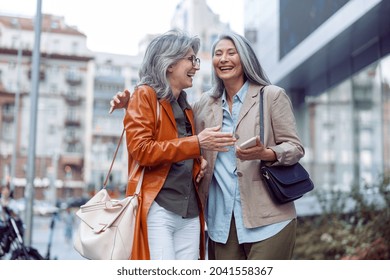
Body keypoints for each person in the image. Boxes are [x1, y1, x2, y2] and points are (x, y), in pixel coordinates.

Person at [110, 31, 305, 260]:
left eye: (231, 52)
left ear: (245, 58)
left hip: (268, 218)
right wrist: (132, 106)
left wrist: (268, 153)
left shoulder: (270, 96)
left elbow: (295, 148)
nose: (223, 58)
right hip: (220, 223)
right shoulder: (203, 104)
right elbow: (166, 132)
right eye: (217, 53)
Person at [120, 30, 236, 260]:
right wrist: (196, 143)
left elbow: (177, 150)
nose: (196, 66)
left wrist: (197, 162)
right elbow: (142, 151)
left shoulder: (186, 106)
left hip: (190, 212)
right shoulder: (144, 96)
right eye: (191, 59)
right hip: (159, 209)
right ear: (169, 63)